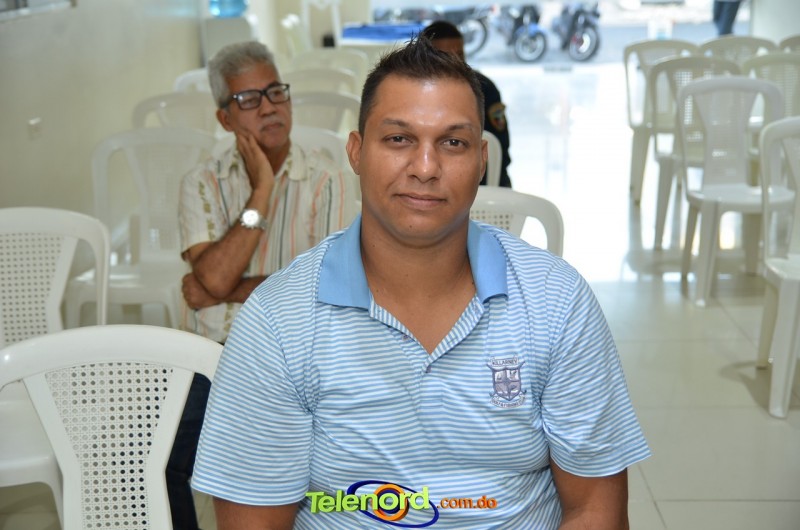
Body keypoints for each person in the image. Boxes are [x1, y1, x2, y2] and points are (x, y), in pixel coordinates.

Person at [192, 37, 650, 529]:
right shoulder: (278, 322)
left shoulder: (556, 300)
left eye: (453, 143)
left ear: (482, 160)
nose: (426, 168)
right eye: (398, 139)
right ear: (356, 152)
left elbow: (595, 509)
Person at [170, 40, 359, 529]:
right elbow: (214, 275)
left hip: (295, 354)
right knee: (159, 459)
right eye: (249, 99)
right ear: (224, 119)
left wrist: (223, 289)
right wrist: (262, 194)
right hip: (210, 354)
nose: (270, 107)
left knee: (307, 469)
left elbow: (322, 286)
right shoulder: (200, 182)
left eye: (276, 91)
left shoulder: (330, 180)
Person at [422, 20, 513, 189]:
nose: (454, 64)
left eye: (460, 55)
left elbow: (500, 148)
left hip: (483, 183)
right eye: (444, 57)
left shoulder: (485, 89)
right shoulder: (413, 95)